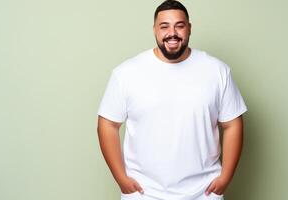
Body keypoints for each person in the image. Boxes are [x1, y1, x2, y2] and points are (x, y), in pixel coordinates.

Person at [97, 1, 247, 200]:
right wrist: (121, 179)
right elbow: (107, 124)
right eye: (164, 26)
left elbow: (232, 123)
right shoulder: (126, 73)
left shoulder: (217, 71)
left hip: (203, 193)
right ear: (154, 30)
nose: (172, 33)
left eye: (179, 25)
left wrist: (226, 178)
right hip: (143, 193)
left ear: (189, 28)